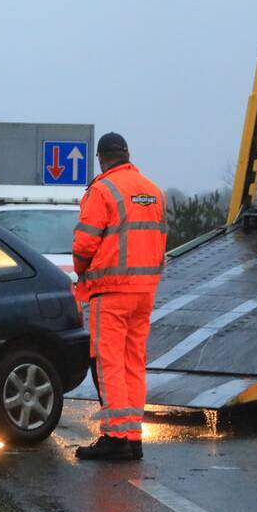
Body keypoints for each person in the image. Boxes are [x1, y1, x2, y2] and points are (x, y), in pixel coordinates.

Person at [72, 132, 167, 461]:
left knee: (109, 362)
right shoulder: (154, 191)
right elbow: (160, 240)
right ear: (126, 154)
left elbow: (84, 244)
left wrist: (81, 269)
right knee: (133, 362)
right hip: (144, 293)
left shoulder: (102, 190)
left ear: (101, 158)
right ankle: (133, 436)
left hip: (110, 291)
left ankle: (115, 437)